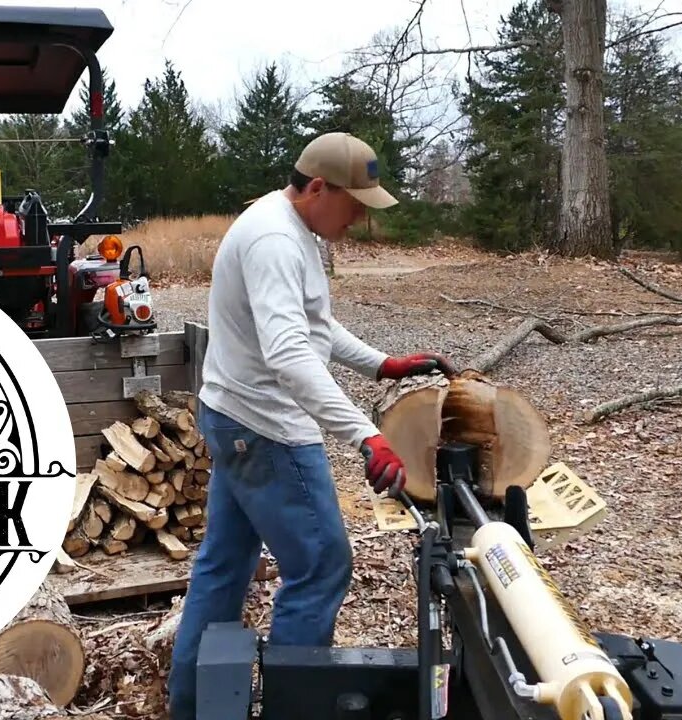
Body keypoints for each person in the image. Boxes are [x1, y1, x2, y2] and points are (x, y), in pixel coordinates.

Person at [166, 132, 457, 719]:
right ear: (318, 187)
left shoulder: (288, 226)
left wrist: (382, 364)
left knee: (224, 566)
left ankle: (192, 705)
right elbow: (289, 355)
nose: (358, 220)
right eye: (354, 205)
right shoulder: (276, 239)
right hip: (267, 429)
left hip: (233, 417)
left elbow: (313, 326)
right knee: (321, 565)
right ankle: (295, 708)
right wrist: (366, 436)